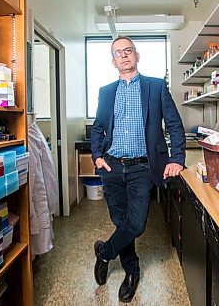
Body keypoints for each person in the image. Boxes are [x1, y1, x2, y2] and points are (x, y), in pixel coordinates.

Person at [90, 36, 186, 303]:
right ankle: (131, 271)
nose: (124, 55)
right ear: (113, 61)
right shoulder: (106, 91)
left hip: (143, 168)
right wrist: (97, 157)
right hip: (112, 166)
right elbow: (98, 128)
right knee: (121, 222)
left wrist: (177, 158)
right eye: (118, 53)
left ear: (137, 55)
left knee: (136, 223)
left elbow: (175, 125)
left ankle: (104, 252)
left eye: (128, 50)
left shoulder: (156, 87)